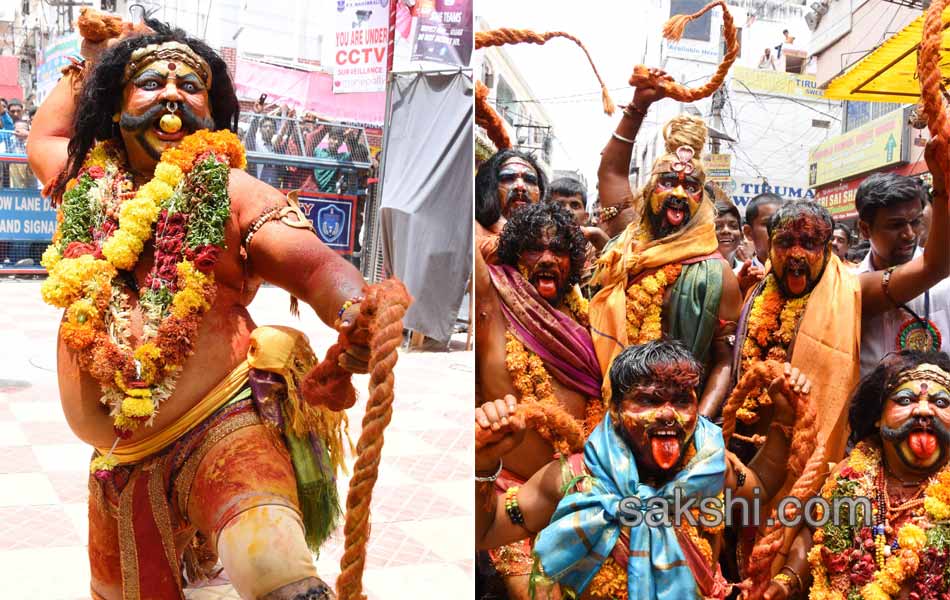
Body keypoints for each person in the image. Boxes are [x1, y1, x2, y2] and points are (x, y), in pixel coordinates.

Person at [28, 15, 377, 600]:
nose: (171, 94)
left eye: (190, 86)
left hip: (223, 425)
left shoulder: (230, 189)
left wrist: (357, 312)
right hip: (121, 463)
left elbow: (314, 267)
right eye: (150, 83)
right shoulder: (85, 185)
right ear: (116, 105)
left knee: (276, 571)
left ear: (210, 115)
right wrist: (89, 56)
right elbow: (43, 137)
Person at [730, 153, 949, 580]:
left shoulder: (851, 289)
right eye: (785, 243)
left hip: (826, 455)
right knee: (750, 557)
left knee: (810, 557)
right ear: (767, 245)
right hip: (753, 454)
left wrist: (942, 185)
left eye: (810, 244)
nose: (796, 255)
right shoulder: (754, 294)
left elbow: (934, 265)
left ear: (829, 247)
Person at [475, 339, 808, 599]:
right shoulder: (574, 479)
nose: (666, 414)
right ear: (617, 411)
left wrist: (782, 417)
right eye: (648, 401)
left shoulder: (709, 471)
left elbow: (760, 484)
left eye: (681, 401)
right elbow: (487, 531)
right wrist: (485, 462)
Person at [592, 67, 742, 422]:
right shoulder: (627, 239)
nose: (678, 193)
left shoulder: (716, 272)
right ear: (647, 190)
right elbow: (610, 173)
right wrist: (638, 105)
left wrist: (697, 423)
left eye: (690, 187)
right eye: (667, 183)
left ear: (701, 200)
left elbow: (724, 361)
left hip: (677, 420)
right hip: (606, 409)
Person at [474, 202, 603, 600]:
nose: (547, 258)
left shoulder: (590, 317)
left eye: (558, 250)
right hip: (505, 500)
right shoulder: (492, 300)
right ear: (513, 256)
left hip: (580, 492)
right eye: (533, 248)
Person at [771, 351, 950, 599]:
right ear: (878, 417)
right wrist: (787, 580)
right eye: (906, 400)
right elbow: (814, 534)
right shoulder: (849, 474)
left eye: (940, 403)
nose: (924, 411)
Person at [856, 172, 950, 375]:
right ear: (865, 229)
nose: (909, 234)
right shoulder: (849, 287)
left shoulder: (946, 285)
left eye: (915, 222)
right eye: (896, 225)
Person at [475, 148, 547, 264]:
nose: (520, 186)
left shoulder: (551, 232)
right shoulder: (472, 228)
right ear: (489, 188)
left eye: (529, 180)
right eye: (507, 178)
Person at [549, 176, 608, 295]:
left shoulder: (597, 252)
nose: (568, 211)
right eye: (559, 204)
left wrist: (603, 241)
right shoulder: (535, 250)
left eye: (575, 205)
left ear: (586, 217)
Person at [4, 119, 36, 188]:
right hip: (15, 184)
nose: (20, 133)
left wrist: (27, 137)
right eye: (17, 130)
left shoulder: (34, 141)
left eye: (23, 130)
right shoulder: (9, 142)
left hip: (32, 184)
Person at [714, 199, 743, 268]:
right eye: (717, 227)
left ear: (742, 235)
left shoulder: (749, 271)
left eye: (733, 226)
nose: (726, 231)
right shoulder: (696, 273)